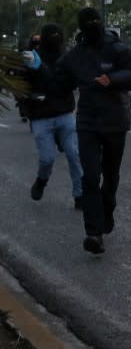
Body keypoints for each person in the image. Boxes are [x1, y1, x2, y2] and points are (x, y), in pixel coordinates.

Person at [23, 7, 131, 254]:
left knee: (110, 177)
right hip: (88, 124)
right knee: (90, 177)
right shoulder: (74, 57)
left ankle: (107, 209)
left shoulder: (116, 48)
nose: (93, 25)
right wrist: (38, 69)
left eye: (96, 20)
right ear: (81, 27)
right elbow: (57, 85)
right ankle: (94, 233)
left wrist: (113, 79)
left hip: (115, 122)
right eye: (88, 22)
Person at [21, 23, 83, 209]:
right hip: (41, 116)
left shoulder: (66, 58)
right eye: (52, 34)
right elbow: (21, 84)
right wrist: (29, 101)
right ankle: (42, 180)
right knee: (47, 158)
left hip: (64, 113)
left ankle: (79, 195)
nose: (55, 38)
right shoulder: (31, 57)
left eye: (58, 34)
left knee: (74, 154)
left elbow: (69, 82)